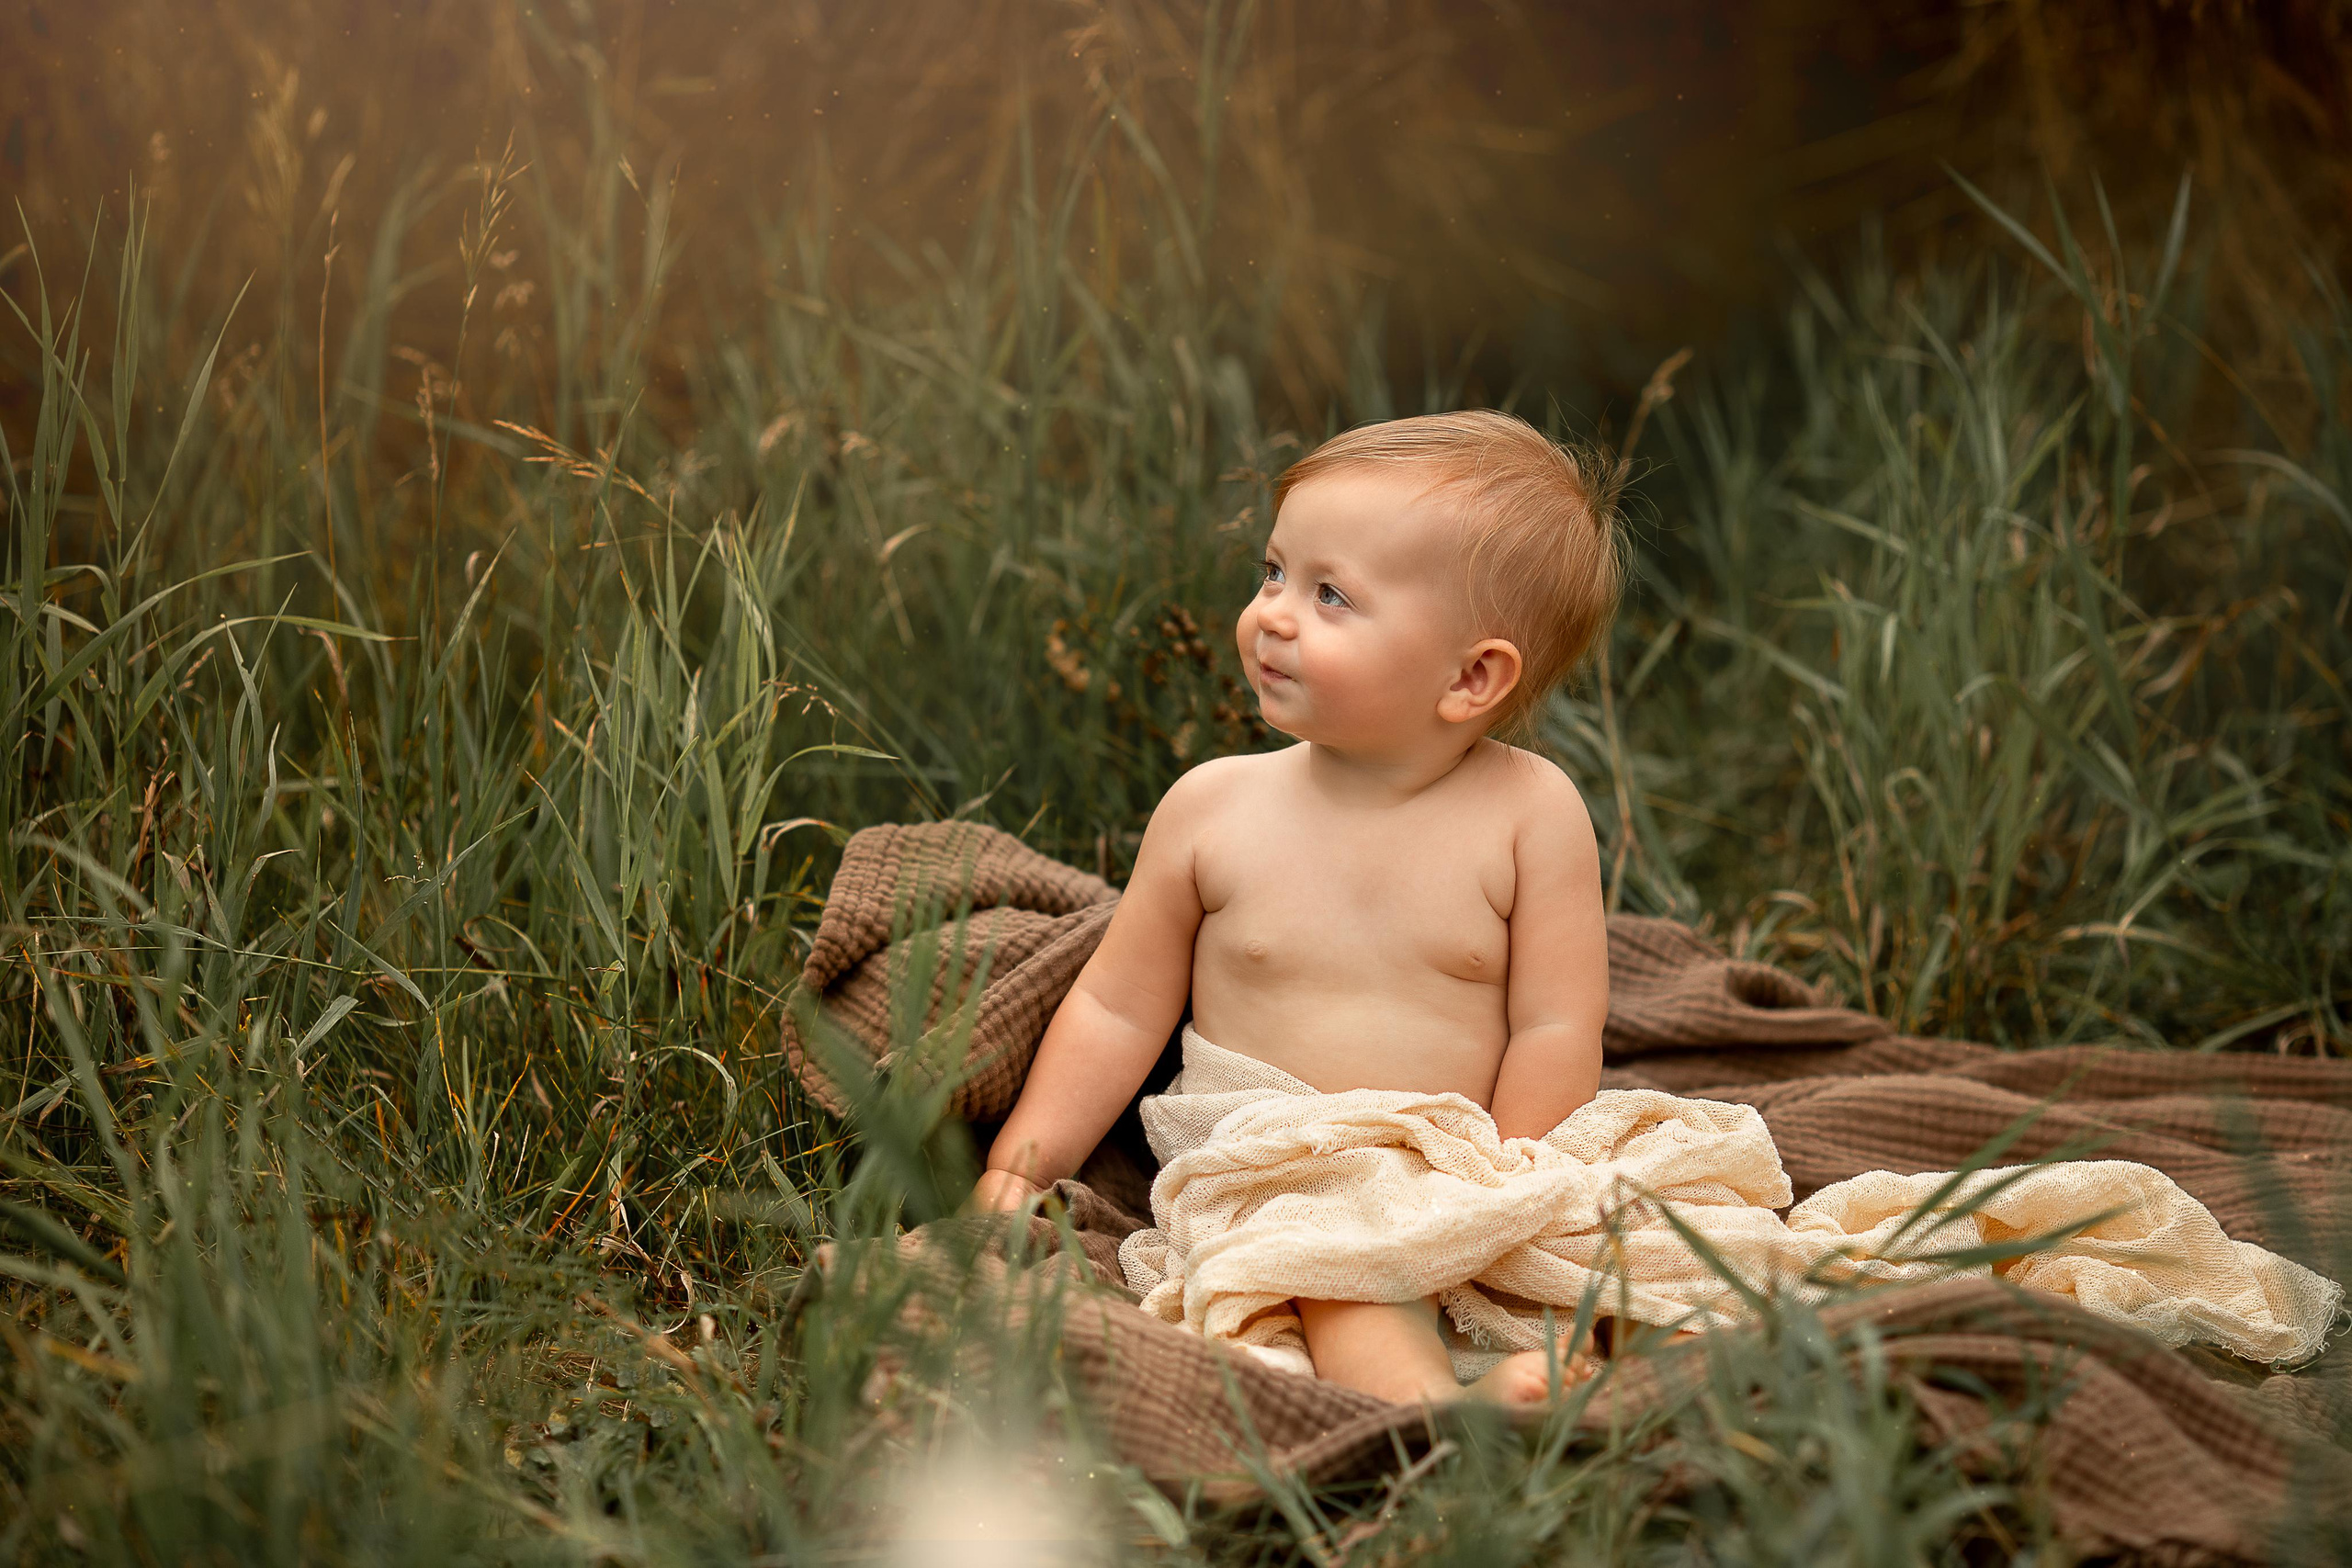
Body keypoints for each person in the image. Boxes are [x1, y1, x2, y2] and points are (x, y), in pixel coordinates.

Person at [970, 409, 1619, 1406]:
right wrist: (1024, 1161)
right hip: (1274, 1164)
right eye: (1274, 573)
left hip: (1456, 1154)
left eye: (1330, 596)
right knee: (1330, 1262)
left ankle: (1506, 1346)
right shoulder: (1213, 810)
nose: (1272, 613)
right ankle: (1436, 1416)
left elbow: (1556, 1022)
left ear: (1471, 676)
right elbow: (1116, 1007)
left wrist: (1500, 1178)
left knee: (1634, 1258)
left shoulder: (1532, 814)